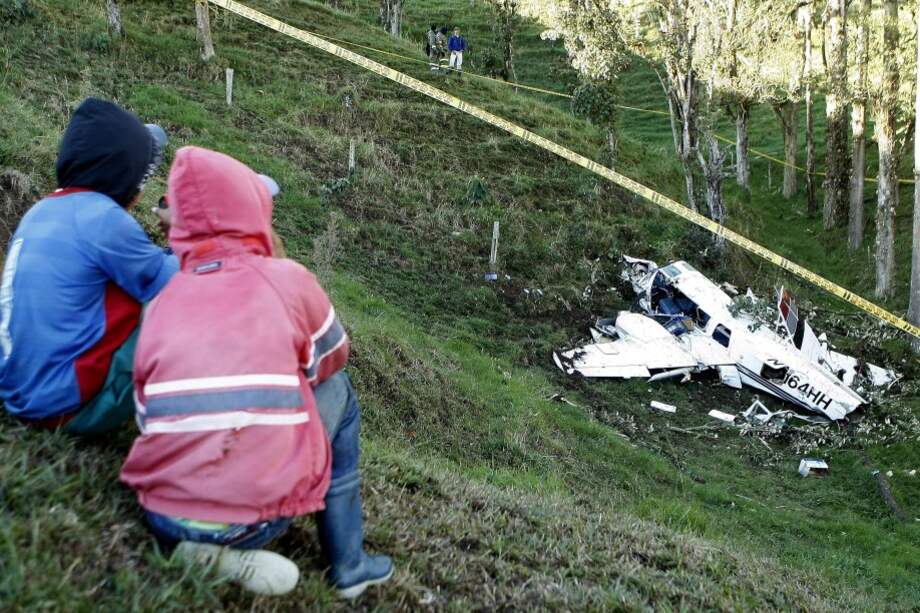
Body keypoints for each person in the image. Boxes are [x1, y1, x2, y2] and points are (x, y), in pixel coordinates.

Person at [119, 146, 393, 599]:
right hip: (255, 521)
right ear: (255, 209)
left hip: (161, 509)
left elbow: (146, 410)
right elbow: (334, 356)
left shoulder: (164, 297)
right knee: (339, 391)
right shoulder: (286, 278)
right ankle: (350, 564)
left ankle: (195, 547)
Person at [0, 98, 178, 435]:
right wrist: (187, 232)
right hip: (66, 408)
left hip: (17, 392)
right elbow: (179, 284)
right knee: (177, 306)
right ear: (125, 177)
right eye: (141, 176)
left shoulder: (41, 210)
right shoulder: (102, 218)